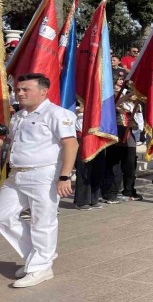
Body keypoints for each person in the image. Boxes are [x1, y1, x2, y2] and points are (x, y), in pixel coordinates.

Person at [0, 73, 78, 288]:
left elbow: (70, 145)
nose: (20, 93)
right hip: (17, 174)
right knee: (2, 216)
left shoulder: (57, 114)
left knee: (42, 222)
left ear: (43, 91)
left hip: (44, 175)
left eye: (26, 89)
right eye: (18, 89)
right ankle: (37, 257)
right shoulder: (19, 116)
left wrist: (65, 176)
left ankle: (41, 267)